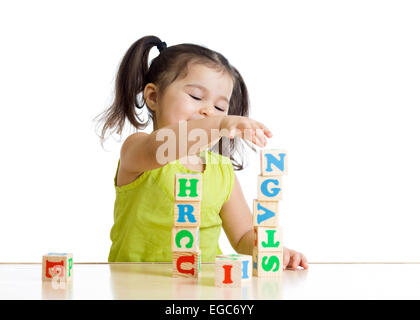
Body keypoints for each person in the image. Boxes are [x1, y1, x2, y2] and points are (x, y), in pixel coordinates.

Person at [95, 35, 308, 270]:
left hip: (201, 287)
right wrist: (218, 124)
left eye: (220, 107)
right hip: (135, 287)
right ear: (153, 97)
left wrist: (273, 250)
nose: (208, 111)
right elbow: (166, 145)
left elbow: (242, 235)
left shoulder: (221, 170)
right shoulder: (139, 149)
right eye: (196, 97)